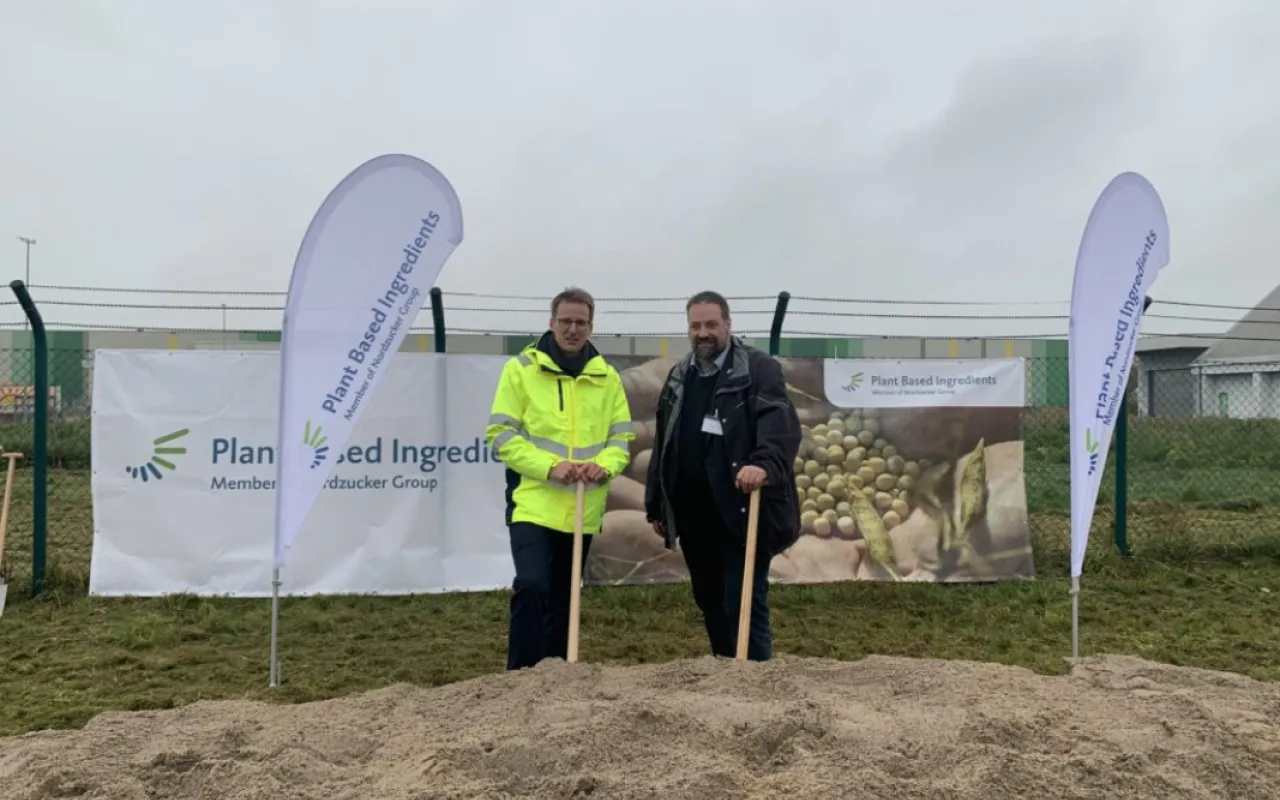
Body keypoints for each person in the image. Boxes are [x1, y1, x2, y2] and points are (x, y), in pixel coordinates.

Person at [644, 290, 802, 661]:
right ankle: (724, 673)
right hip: (694, 513)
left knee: (743, 601)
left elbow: (779, 425)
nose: (703, 333)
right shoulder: (679, 376)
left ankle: (757, 679)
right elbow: (664, 440)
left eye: (711, 324)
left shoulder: (759, 370)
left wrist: (763, 464)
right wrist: (656, 501)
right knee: (710, 601)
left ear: (728, 325)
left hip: (741, 511)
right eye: (696, 325)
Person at [484, 287, 634, 670]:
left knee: (565, 599)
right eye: (564, 321)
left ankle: (555, 679)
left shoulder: (607, 378)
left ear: (591, 326)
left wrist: (606, 465)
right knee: (532, 586)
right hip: (533, 503)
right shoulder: (521, 370)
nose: (572, 329)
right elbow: (500, 436)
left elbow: (621, 439)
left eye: (580, 322)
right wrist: (551, 467)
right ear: (551, 323)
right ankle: (520, 676)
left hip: (582, 507)